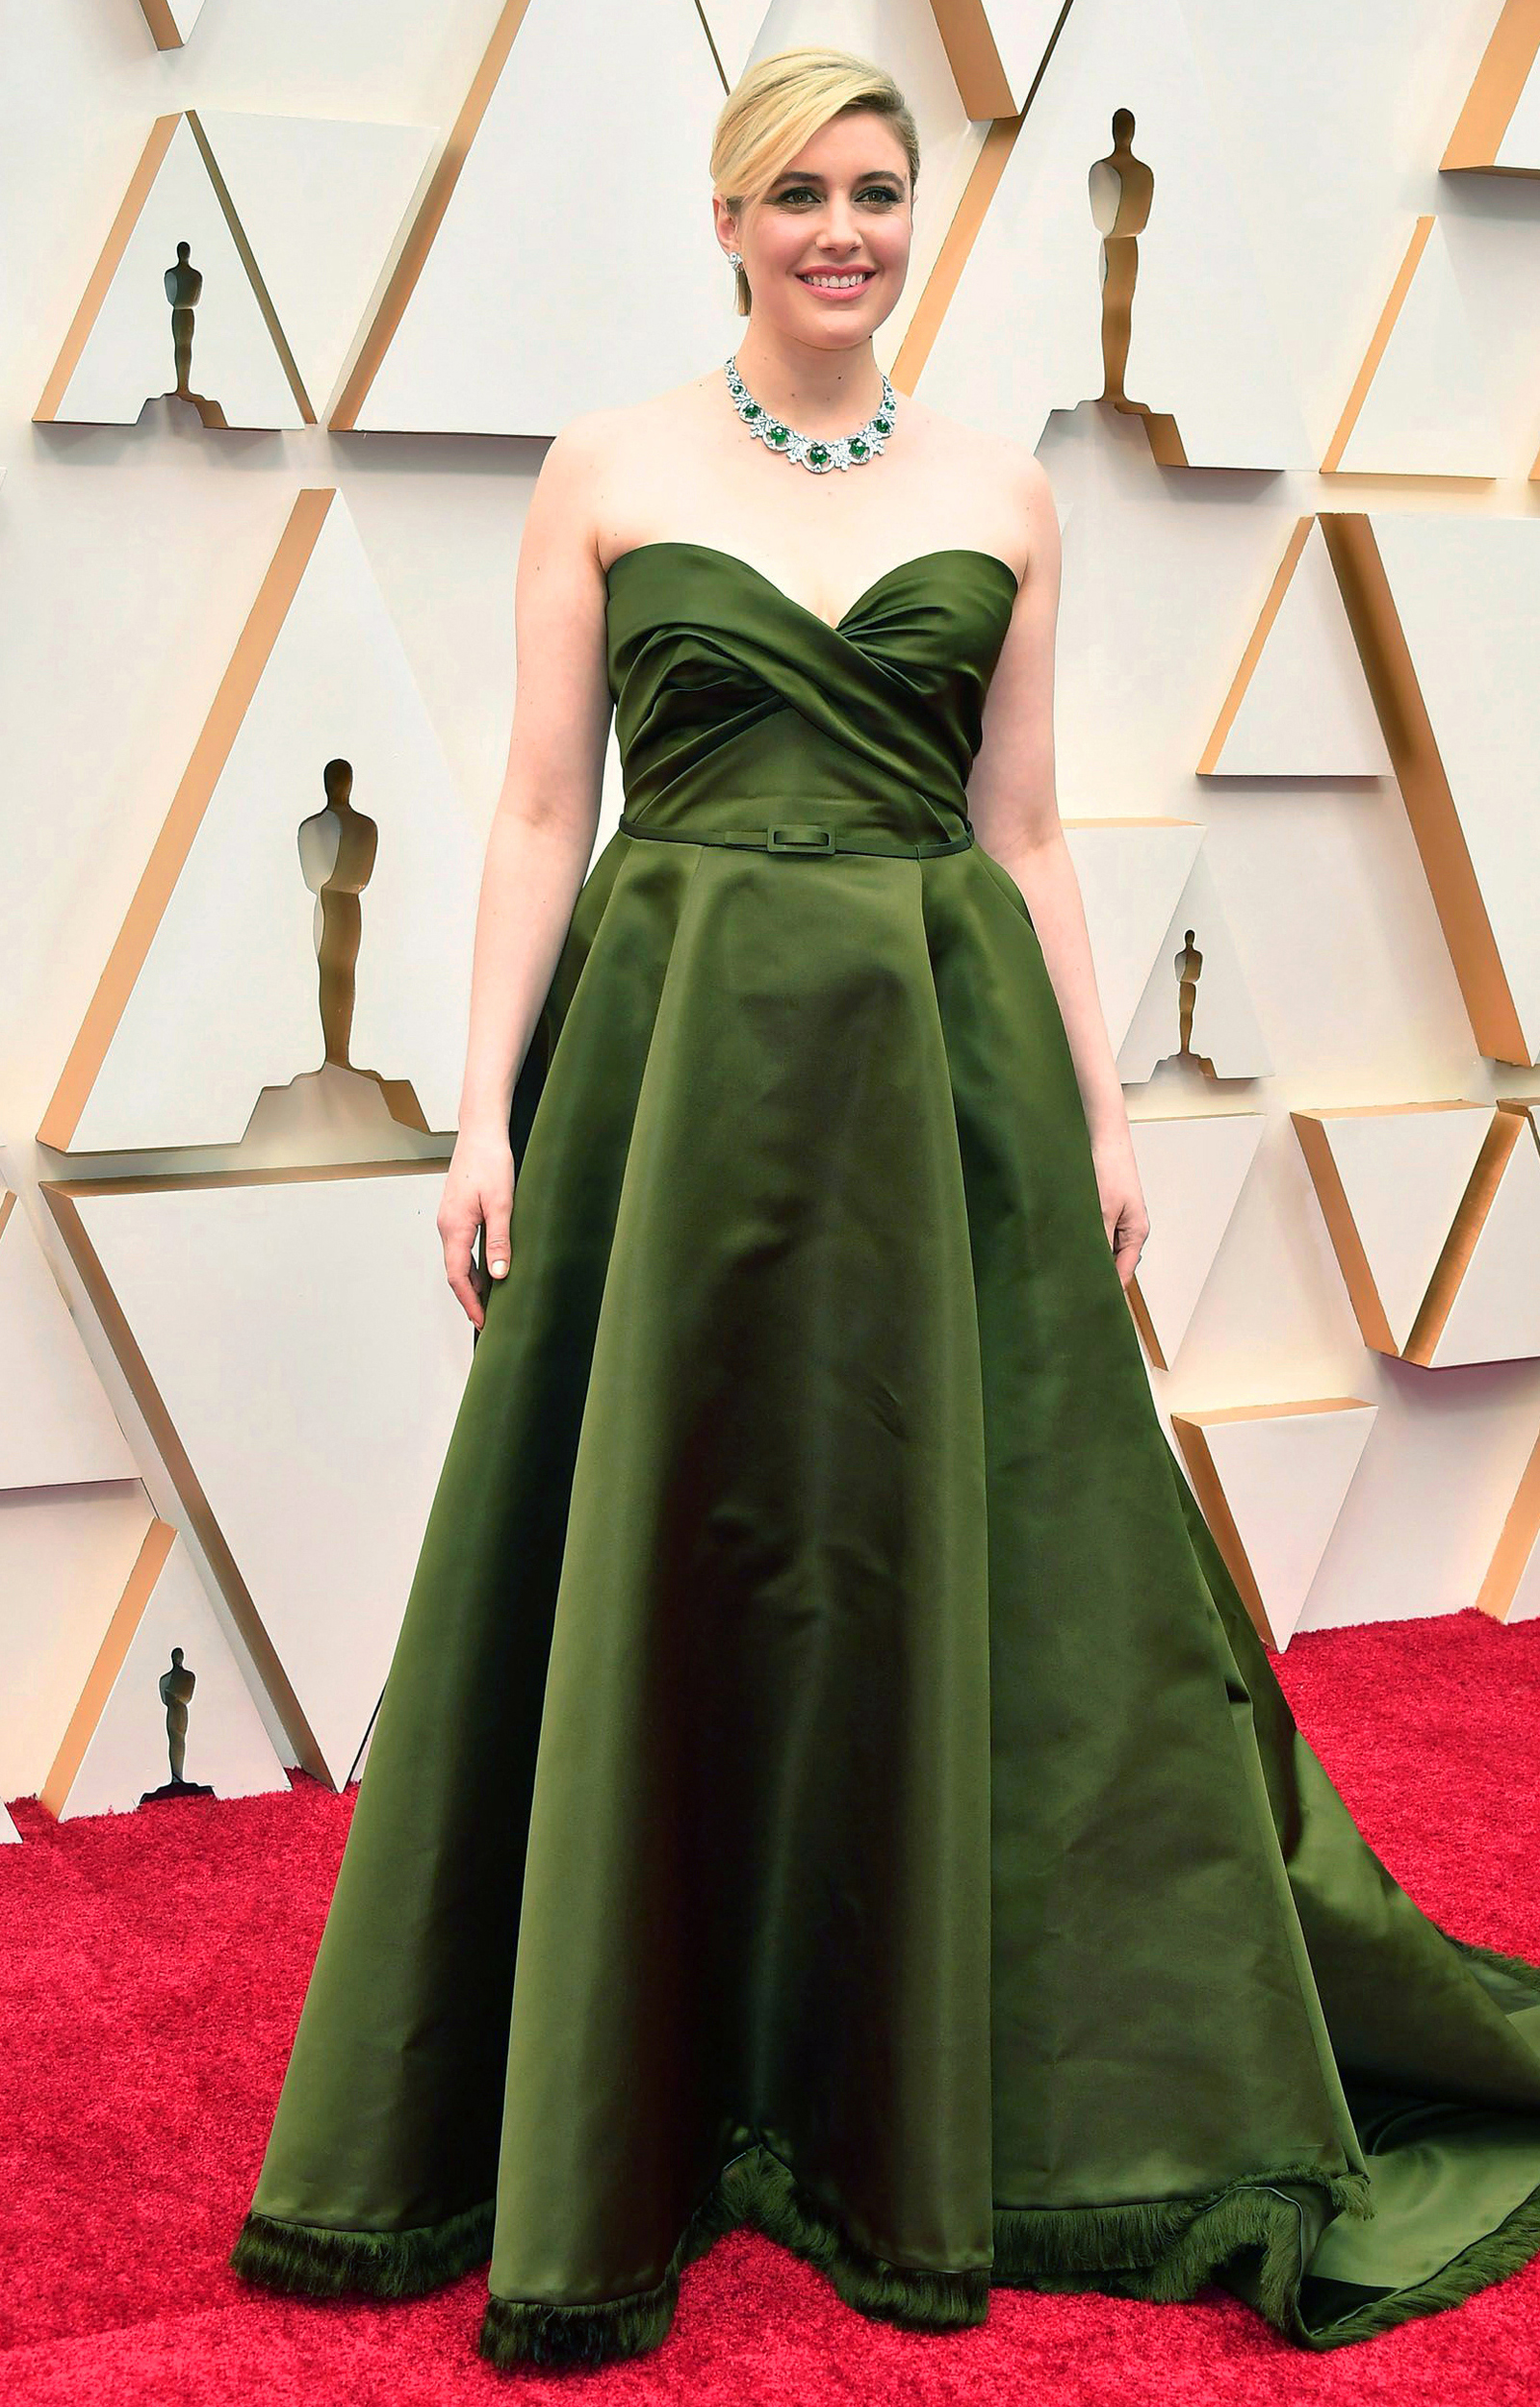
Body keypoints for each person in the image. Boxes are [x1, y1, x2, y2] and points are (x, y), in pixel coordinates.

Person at [228, 44, 1540, 2374]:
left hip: (942, 1086)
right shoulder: (606, 469)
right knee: (666, 1539)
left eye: (874, 190)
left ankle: (940, 2077)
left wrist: (1103, 1118)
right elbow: (537, 807)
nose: (840, 228)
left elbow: (1019, 830)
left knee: (961, 1554)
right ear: (725, 218)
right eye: (798, 193)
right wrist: (480, 1114)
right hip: (671, 1077)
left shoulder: (998, 493)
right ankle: (640, 2084)